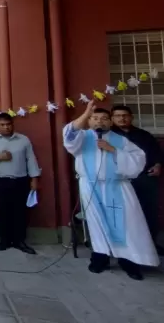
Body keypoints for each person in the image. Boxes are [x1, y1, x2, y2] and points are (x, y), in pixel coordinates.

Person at [63, 101, 159, 280]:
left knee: (126, 224)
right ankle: (100, 258)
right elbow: (69, 134)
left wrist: (114, 150)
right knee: (97, 224)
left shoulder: (121, 140)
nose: (100, 121)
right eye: (95, 118)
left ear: (110, 122)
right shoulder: (82, 137)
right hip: (91, 186)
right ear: (89, 121)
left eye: (104, 118)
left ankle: (128, 261)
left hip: (118, 187)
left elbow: (138, 160)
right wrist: (86, 112)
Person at [0, 113, 40, 254]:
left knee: (21, 212)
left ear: (13, 124)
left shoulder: (23, 140)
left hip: (21, 180)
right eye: (2, 125)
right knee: (3, 210)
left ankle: (20, 241)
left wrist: (34, 179)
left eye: (9, 124)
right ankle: (4, 240)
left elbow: (31, 160)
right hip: (1, 180)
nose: (6, 127)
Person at [110, 105, 163, 254]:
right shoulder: (109, 136)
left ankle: (151, 246)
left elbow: (157, 154)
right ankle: (125, 250)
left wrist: (158, 165)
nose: (122, 118)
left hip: (144, 178)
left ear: (131, 117)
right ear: (112, 118)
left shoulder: (144, 135)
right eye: (118, 116)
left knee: (149, 212)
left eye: (125, 115)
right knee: (124, 214)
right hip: (120, 181)